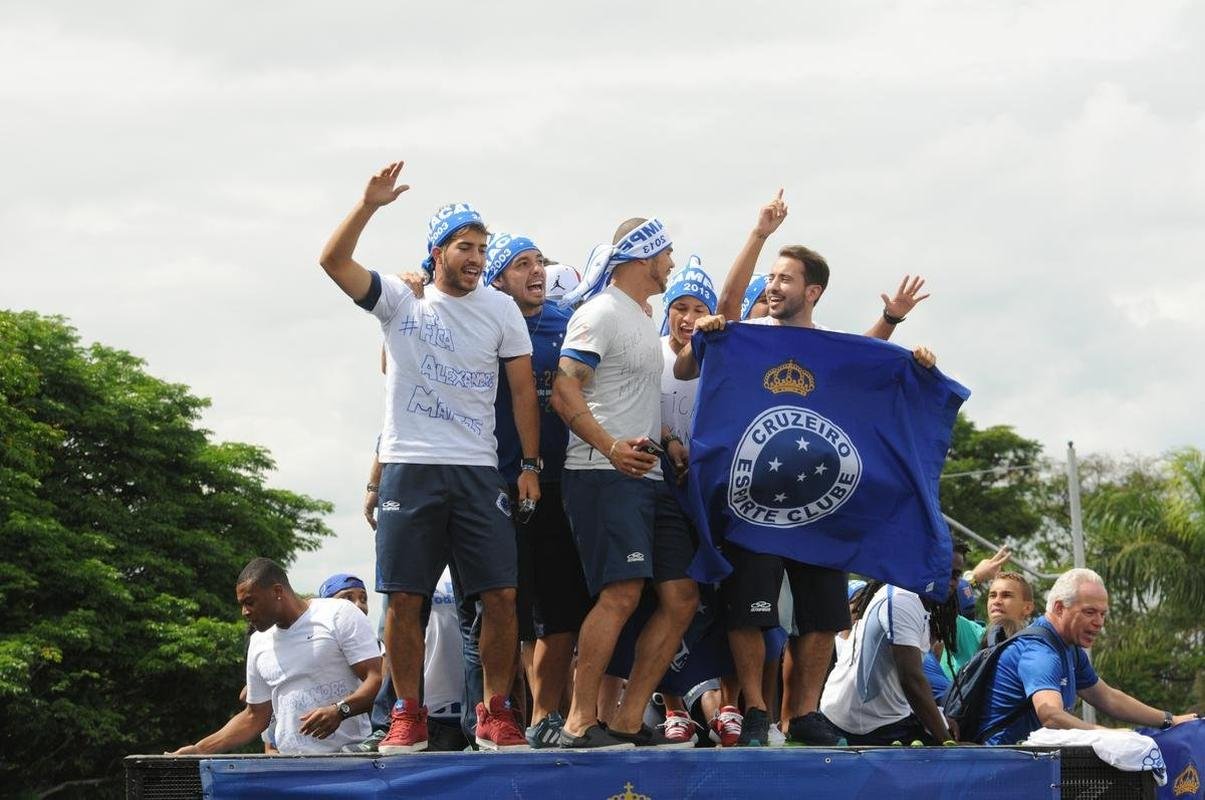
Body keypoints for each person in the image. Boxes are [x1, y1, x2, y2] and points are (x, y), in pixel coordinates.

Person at [673, 191, 934, 745]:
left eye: (785, 279)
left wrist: (897, 332)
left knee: (821, 616)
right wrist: (759, 233)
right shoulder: (744, 337)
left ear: (812, 291)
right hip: (754, 507)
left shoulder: (826, 346)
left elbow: (863, 366)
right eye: (770, 278)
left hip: (822, 510)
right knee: (750, 612)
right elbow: (725, 303)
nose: (773, 286)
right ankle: (758, 709)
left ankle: (805, 713)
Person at [318, 160, 541, 752]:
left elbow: (521, 392)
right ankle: (408, 713)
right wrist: (367, 206)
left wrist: (530, 466)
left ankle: (496, 712)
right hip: (410, 466)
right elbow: (332, 263)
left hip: (477, 469)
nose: (475, 257)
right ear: (436, 253)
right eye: (464, 247)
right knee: (406, 596)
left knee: (500, 595)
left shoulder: (499, 308)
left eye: (482, 248)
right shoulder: (400, 299)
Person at [550, 217, 700, 749]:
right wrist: (610, 446)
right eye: (667, 254)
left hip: (649, 474)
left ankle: (629, 719)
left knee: (682, 596)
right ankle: (577, 721)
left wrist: (665, 438)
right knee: (621, 593)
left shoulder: (642, 317)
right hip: (601, 473)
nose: (672, 265)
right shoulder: (602, 312)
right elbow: (564, 388)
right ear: (643, 255)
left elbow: (632, 396)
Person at [483, 232, 593, 747]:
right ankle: (490, 716)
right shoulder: (477, 318)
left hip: (558, 482)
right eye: (520, 264)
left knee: (561, 610)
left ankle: (544, 717)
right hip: (493, 481)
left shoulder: (567, 321)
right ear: (497, 277)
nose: (535, 272)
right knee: (498, 609)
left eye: (539, 263)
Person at [169, 559, 382, 755]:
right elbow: (254, 716)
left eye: (250, 602)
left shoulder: (337, 614)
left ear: (277, 591)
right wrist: (200, 749)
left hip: (351, 765)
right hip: (290, 770)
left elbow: (377, 679)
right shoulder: (258, 642)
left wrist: (340, 711)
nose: (245, 612)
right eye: (242, 604)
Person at [976, 568, 1199, 744]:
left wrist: (1170, 720)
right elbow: (1051, 715)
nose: (1099, 622)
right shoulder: (1040, 651)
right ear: (1059, 608)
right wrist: (1106, 734)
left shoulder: (1069, 648)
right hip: (1000, 771)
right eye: (1089, 612)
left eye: (1103, 614)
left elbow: (1107, 698)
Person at [815, 551, 965, 745]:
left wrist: (939, 716)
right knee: (966, 754)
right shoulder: (902, 599)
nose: (950, 582)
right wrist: (946, 742)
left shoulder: (918, 600)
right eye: (944, 572)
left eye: (955, 575)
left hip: (874, 718)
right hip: (864, 726)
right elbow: (910, 679)